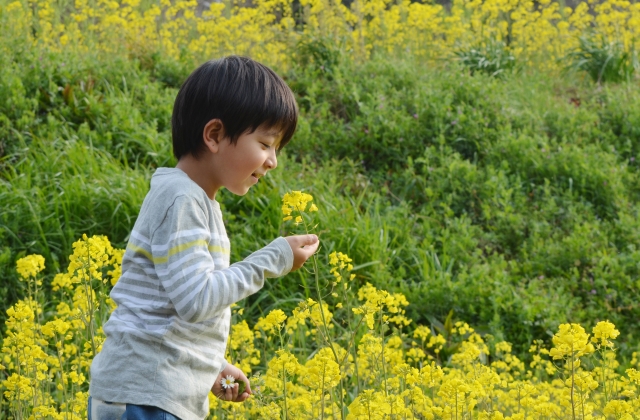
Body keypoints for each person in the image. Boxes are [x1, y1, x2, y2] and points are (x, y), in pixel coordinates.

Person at [88, 56, 320, 420]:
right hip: (143, 395)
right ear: (213, 135)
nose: (273, 160)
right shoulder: (181, 199)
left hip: (157, 393)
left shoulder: (198, 201)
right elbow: (197, 300)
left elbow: (170, 309)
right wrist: (272, 259)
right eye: (265, 143)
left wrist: (210, 366)